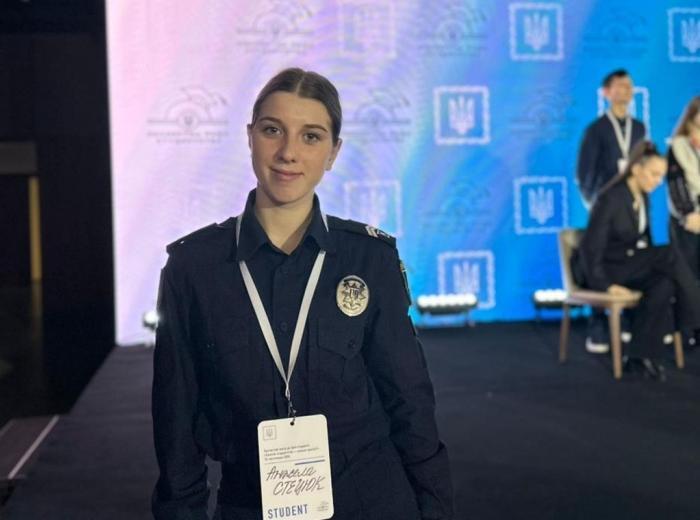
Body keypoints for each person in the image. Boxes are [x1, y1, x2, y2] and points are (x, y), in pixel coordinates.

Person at [151, 68, 453, 520]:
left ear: (333, 153)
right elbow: (175, 415)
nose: (288, 152)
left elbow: (408, 397)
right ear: (250, 137)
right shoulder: (194, 267)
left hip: (371, 499)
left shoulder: (369, 258)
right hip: (249, 503)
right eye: (273, 130)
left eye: (311, 136)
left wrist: (435, 506)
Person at [577, 140, 700, 380]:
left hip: (630, 264)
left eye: (660, 176)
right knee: (669, 253)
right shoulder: (611, 198)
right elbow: (590, 249)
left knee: (663, 284)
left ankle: (640, 357)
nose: (657, 181)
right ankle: (695, 317)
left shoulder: (642, 197)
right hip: (608, 270)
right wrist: (606, 285)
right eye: (653, 174)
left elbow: (644, 242)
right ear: (636, 169)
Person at [575, 69, 646, 354]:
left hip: (632, 207)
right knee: (597, 259)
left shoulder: (639, 128)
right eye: (619, 86)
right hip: (605, 209)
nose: (625, 90)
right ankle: (598, 322)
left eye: (629, 86)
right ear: (606, 92)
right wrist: (595, 205)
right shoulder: (596, 129)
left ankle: (628, 317)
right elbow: (585, 173)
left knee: (630, 258)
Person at [667, 95, 700, 281]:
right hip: (688, 217)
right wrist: (688, 213)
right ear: (693, 115)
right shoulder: (679, 145)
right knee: (689, 274)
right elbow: (675, 182)